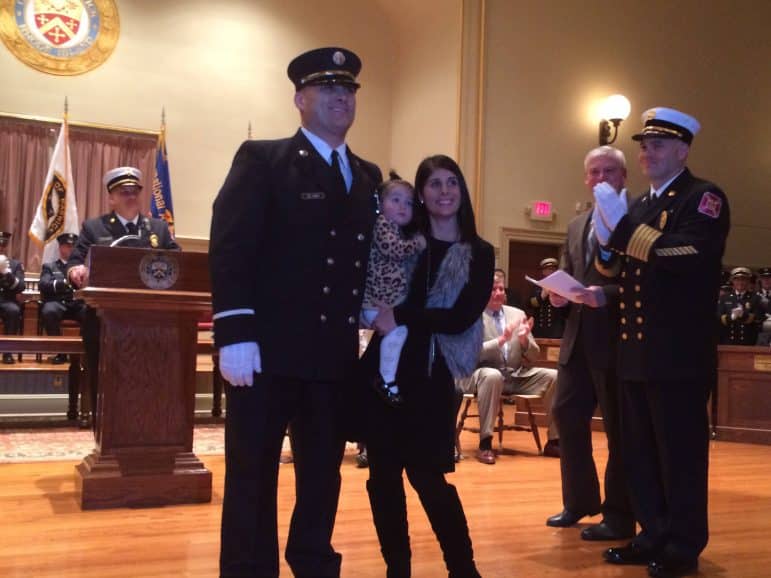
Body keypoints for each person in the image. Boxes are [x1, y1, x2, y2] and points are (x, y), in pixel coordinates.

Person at [208, 47, 381, 578]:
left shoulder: (368, 175)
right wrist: (234, 331)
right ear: (300, 99)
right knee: (252, 471)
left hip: (332, 355)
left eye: (348, 89)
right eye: (328, 88)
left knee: (322, 473)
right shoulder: (263, 160)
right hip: (266, 351)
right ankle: (247, 569)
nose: (340, 97)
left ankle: (313, 561)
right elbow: (232, 246)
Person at [589, 107, 730, 577]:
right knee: (640, 454)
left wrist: (625, 231)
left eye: (658, 145)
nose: (647, 152)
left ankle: (682, 546)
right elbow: (615, 270)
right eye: (643, 145)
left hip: (677, 356)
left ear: (683, 150)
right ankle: (651, 534)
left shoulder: (702, 197)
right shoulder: (643, 206)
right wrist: (607, 240)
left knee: (679, 457)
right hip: (636, 352)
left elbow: (690, 252)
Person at [363, 154, 494, 578]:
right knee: (382, 479)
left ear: (461, 191)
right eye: (434, 184)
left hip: (433, 376)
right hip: (387, 371)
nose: (444, 192)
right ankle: (396, 568)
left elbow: (460, 316)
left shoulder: (479, 252)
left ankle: (463, 567)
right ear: (420, 194)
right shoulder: (404, 241)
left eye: (451, 182)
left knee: (428, 478)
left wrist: (401, 316)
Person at [544, 146, 634, 540]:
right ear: (585, 179)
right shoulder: (577, 223)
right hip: (577, 339)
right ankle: (580, 500)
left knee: (619, 430)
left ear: (623, 178)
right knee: (566, 416)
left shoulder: (636, 222)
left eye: (609, 171)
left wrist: (607, 294)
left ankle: (619, 514)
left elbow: (640, 284)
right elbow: (569, 268)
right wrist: (557, 293)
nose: (600, 178)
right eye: (594, 172)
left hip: (616, 342)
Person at [66, 166, 179, 422]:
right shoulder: (94, 228)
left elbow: (178, 263)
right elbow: (73, 263)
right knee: (105, 378)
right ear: (111, 198)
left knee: (148, 378)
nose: (131, 197)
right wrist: (76, 270)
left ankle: (147, 429)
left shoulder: (158, 229)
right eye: (124, 192)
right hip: (104, 321)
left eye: (135, 192)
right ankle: (103, 432)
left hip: (150, 322)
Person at [458, 272, 559, 464]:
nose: (498, 293)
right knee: (492, 375)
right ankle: (485, 443)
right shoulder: (472, 316)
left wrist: (523, 342)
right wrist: (500, 340)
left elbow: (534, 355)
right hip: (482, 375)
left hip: (516, 375)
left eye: (501, 289)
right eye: (493, 289)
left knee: (555, 376)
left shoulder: (518, 314)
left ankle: (554, 441)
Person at [361, 173, 426, 405]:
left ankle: (386, 376)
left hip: (388, 299)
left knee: (400, 332)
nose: (402, 207)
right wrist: (417, 244)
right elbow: (394, 250)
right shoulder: (382, 225)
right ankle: (385, 377)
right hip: (377, 299)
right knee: (398, 332)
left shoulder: (394, 228)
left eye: (408, 203)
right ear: (380, 204)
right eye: (395, 200)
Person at [38, 233, 87, 364]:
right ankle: (60, 352)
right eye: (67, 246)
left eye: (73, 247)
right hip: (57, 302)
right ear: (60, 248)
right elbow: (43, 285)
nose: (70, 249)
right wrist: (64, 283)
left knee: (90, 313)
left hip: (76, 303)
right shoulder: (50, 266)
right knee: (49, 311)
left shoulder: (83, 268)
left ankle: (82, 351)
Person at [717, 266, 763, 345]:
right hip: (728, 341)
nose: (740, 283)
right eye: (737, 279)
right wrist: (731, 317)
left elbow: (758, 317)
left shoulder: (755, 298)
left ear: (748, 281)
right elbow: (719, 317)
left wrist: (743, 315)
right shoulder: (725, 298)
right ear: (733, 281)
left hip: (748, 342)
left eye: (743, 280)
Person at [0, 231, 24, 365]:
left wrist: (7, 274)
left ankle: (8, 353)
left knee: (13, 311)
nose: (1, 248)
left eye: (3, 246)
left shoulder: (15, 265)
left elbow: (21, 286)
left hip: (7, 300)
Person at [527, 257, 566, 338]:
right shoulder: (537, 286)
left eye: (552, 270)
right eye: (548, 270)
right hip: (539, 330)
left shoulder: (562, 286)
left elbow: (566, 307)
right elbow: (530, 304)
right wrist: (542, 295)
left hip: (557, 330)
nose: (550, 272)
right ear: (543, 272)